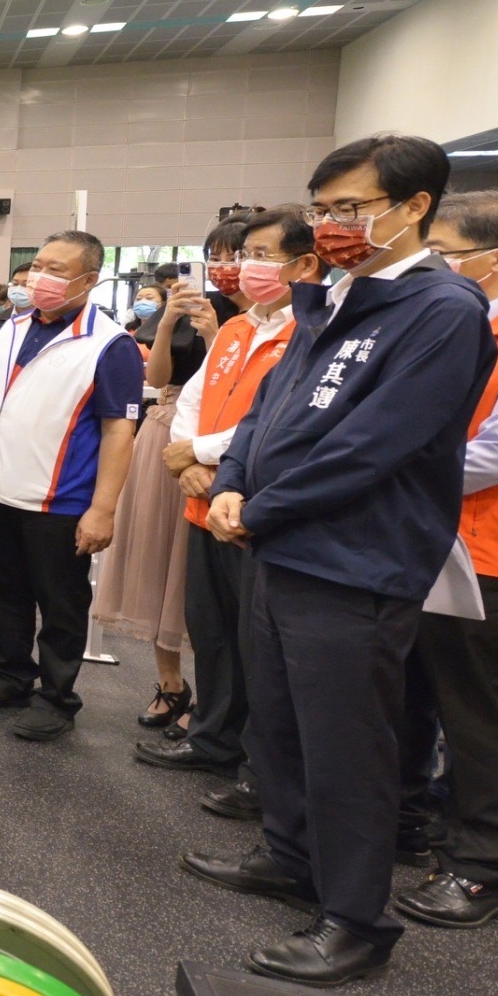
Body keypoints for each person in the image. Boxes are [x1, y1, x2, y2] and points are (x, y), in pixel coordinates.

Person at [184, 134, 496, 987]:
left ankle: (357, 920)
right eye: (323, 209)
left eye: (351, 208)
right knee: (279, 724)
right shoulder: (336, 295)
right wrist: (233, 482)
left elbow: (375, 446)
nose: (331, 225)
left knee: (346, 745)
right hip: (282, 546)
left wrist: (259, 508)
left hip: (356, 561)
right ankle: (290, 856)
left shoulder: (441, 310)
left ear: (416, 207)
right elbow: (267, 410)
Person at [391, 190, 498, 928]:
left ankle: (481, 867)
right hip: (415, 535)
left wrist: (385, 467)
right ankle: (406, 821)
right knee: (409, 690)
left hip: (490, 550)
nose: (433, 267)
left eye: (446, 254)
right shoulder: (448, 323)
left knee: (472, 708)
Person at [148, 208, 314, 806]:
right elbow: (193, 400)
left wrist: (201, 452)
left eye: (260, 256)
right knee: (212, 631)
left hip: (255, 508)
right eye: (244, 256)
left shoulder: (310, 331)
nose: (244, 267)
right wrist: (187, 460)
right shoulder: (239, 326)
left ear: (304, 265)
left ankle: (258, 767)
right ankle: (213, 737)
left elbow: (279, 419)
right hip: (204, 502)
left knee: (260, 647)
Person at [0, 230, 143, 740]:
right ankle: (11, 675)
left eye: (56, 270)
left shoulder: (110, 343)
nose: (40, 277)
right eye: (38, 265)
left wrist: (103, 509)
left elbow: (119, 431)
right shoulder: (10, 328)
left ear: (89, 279)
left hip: (60, 498)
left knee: (60, 603)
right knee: (2, 592)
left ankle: (57, 697)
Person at [99, 218, 247, 737]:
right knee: (159, 560)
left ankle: (214, 698)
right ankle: (169, 683)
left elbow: (240, 386)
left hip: (225, 439)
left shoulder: (262, 319)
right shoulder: (184, 306)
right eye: (217, 257)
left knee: (200, 573)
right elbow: (157, 377)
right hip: (168, 432)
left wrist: (215, 336)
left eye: (237, 256)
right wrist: (166, 322)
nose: (226, 268)